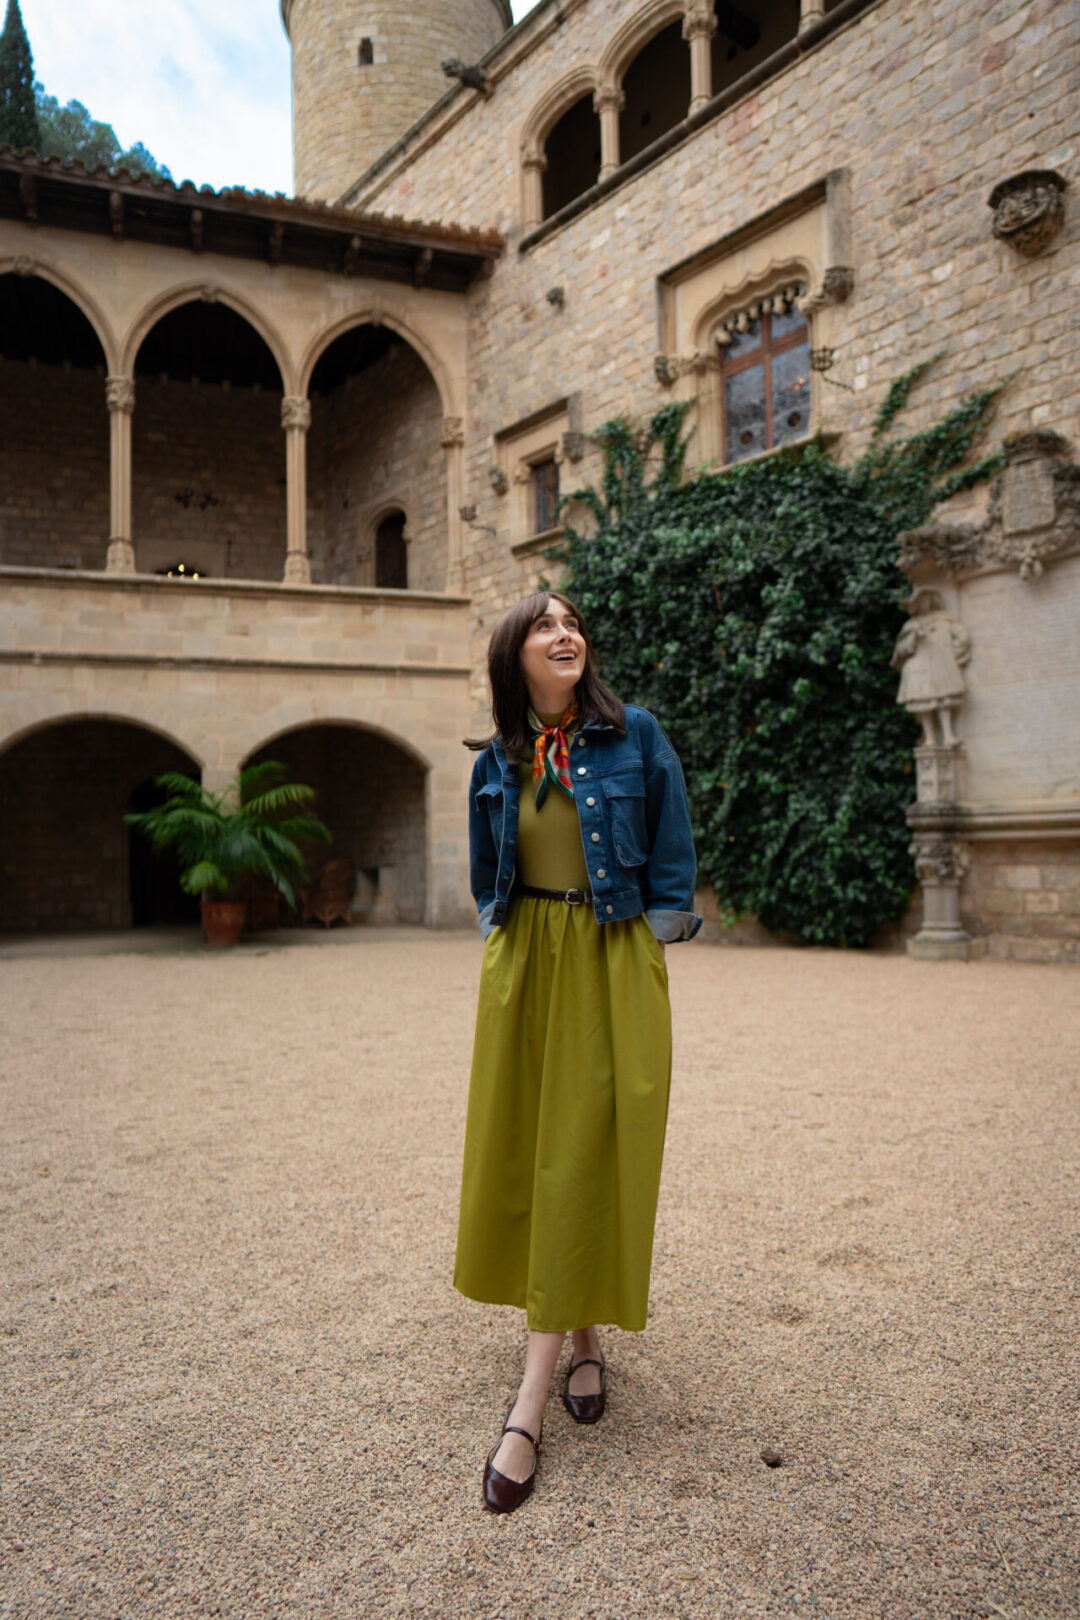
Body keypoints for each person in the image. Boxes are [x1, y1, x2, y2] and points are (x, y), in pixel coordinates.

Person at [455, 589, 701, 1513]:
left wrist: (652, 944)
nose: (565, 633)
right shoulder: (497, 762)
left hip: (607, 957)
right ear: (513, 656)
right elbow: (490, 876)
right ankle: (584, 1341)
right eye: (542, 625)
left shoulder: (635, 733)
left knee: (589, 1153)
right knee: (536, 1155)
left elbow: (671, 847)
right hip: (528, 966)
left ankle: (527, 1407)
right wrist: (503, 947)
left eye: (571, 622)